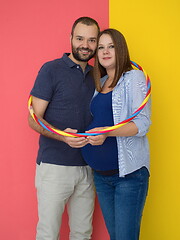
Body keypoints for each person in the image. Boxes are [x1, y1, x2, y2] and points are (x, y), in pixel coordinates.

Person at [28, 17, 100, 240]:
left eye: (91, 40)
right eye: (80, 38)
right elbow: (33, 118)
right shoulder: (51, 70)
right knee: (48, 233)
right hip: (55, 167)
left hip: (88, 167)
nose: (85, 45)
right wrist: (62, 136)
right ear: (70, 39)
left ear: (97, 43)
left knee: (82, 233)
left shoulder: (98, 75)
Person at [81, 29, 151, 240]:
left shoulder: (133, 77)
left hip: (128, 177)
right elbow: (97, 121)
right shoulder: (100, 83)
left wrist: (106, 133)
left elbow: (143, 123)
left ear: (120, 48)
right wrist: (80, 134)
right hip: (101, 177)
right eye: (100, 47)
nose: (105, 51)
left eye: (111, 46)